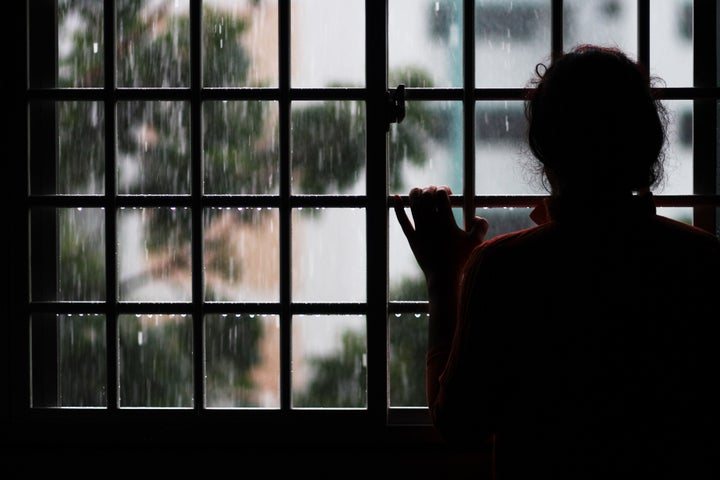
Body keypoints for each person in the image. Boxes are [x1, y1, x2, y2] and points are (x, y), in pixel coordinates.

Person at [394, 44, 720, 479]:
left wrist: (441, 278)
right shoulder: (705, 263)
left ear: (546, 149)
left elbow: (461, 425)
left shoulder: (505, 270)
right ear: (648, 147)